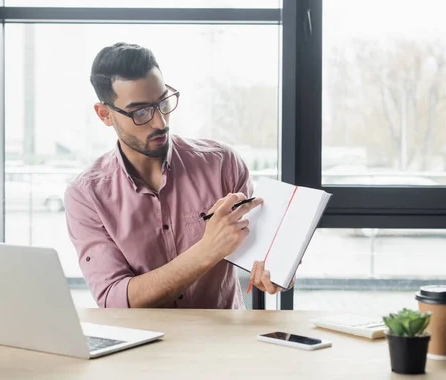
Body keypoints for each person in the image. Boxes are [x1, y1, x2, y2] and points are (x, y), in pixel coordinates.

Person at [64, 42, 287, 309]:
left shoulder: (222, 164)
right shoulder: (86, 196)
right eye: (141, 112)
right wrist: (208, 250)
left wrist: (277, 268)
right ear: (105, 114)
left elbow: (261, 252)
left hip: (220, 342)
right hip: (142, 345)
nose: (160, 122)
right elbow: (115, 299)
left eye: (163, 102)